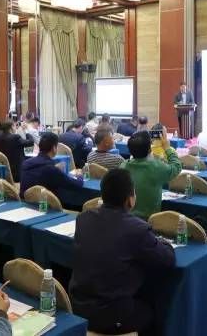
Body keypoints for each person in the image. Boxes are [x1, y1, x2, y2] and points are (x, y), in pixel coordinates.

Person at [70, 169, 175, 335]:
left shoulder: (83, 218)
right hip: (110, 316)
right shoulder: (137, 228)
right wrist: (164, 242)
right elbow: (167, 260)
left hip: (78, 307)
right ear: (130, 199)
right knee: (155, 307)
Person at [122, 130, 181, 220]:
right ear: (150, 149)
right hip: (149, 221)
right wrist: (167, 148)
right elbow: (177, 166)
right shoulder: (156, 167)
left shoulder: (123, 166)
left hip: (126, 218)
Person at [19, 132, 84, 197]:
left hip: (25, 200)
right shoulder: (51, 169)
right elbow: (76, 185)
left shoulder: (26, 163)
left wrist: (55, 168)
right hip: (45, 202)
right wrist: (80, 176)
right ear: (54, 148)